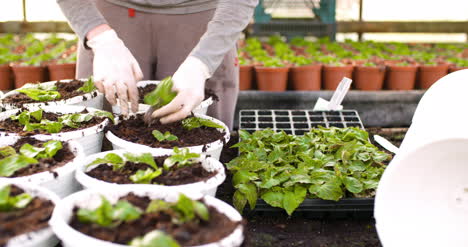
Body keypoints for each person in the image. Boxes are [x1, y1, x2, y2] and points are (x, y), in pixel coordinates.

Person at [56, 0, 258, 129]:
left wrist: (202, 63)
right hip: (108, 16)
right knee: (101, 124)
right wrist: (100, 37)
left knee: (198, 130)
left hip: (204, 15)